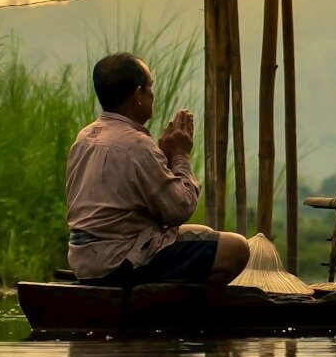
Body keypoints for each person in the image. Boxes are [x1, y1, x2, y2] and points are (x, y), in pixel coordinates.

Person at [64, 52, 249, 286]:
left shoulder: (85, 136)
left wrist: (163, 156)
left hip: (86, 260)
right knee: (236, 248)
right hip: (119, 260)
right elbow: (178, 209)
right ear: (138, 95)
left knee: (201, 231)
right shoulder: (136, 144)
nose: (153, 94)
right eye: (149, 87)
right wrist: (180, 154)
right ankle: (172, 312)